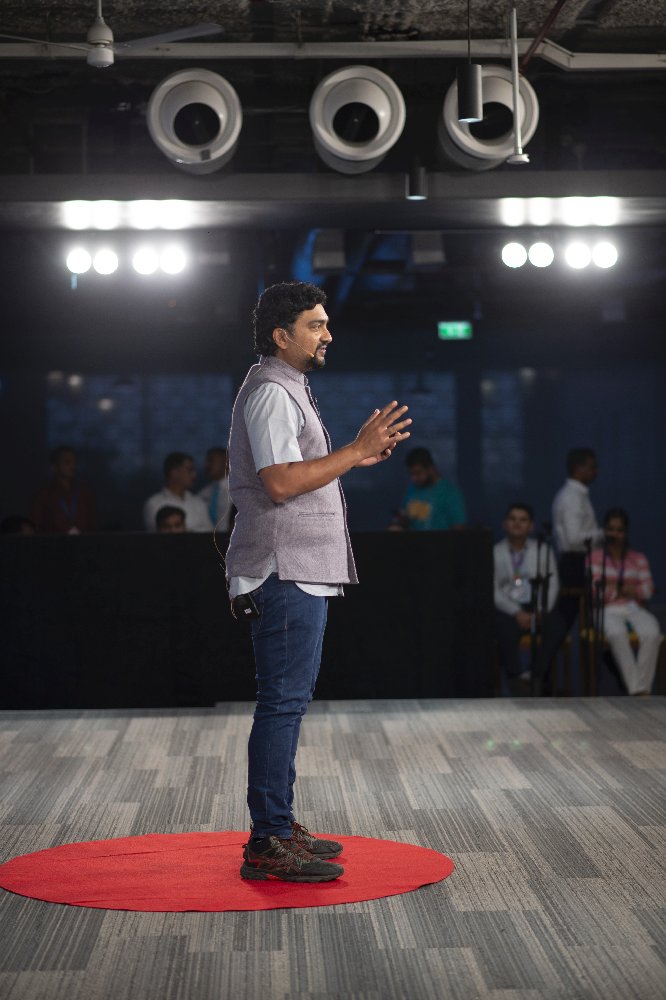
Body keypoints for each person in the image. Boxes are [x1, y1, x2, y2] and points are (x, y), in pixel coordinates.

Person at [225, 280, 411, 882]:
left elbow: (297, 474)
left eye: (326, 323)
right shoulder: (271, 392)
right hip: (283, 568)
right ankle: (268, 840)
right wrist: (353, 451)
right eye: (315, 325)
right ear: (282, 336)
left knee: (288, 703)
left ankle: (279, 827)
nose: (328, 334)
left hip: (295, 568)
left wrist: (354, 456)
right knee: (281, 705)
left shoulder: (286, 386)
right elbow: (280, 483)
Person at [589, 508, 661, 696]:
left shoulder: (638, 558)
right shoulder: (595, 558)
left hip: (633, 607)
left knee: (652, 632)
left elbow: (648, 590)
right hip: (606, 610)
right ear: (605, 531)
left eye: (619, 530)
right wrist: (623, 589)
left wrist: (630, 590)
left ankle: (642, 690)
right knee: (616, 633)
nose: (614, 534)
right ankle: (638, 691)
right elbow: (595, 591)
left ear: (625, 533)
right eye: (610, 529)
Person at [494, 503, 559, 693]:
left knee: (556, 625)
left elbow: (553, 584)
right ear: (504, 524)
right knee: (502, 627)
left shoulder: (543, 550)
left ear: (531, 526)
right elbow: (493, 589)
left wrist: (540, 610)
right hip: (509, 607)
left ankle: (536, 675)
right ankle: (516, 678)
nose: (517, 523)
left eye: (523, 520)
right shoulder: (495, 552)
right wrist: (516, 612)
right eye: (512, 519)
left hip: (536, 604)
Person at [393, 447, 466, 531]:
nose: (414, 478)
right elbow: (403, 516)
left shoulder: (449, 492)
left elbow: (459, 526)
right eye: (411, 474)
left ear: (430, 468)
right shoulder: (411, 489)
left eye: (418, 473)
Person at [31, 446, 96, 534]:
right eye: (67, 462)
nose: (72, 466)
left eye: (74, 462)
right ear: (54, 467)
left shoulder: (85, 493)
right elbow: (37, 526)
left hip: (84, 541)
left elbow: (92, 525)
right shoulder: (44, 495)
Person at [143, 452, 213, 533]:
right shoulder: (153, 503)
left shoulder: (199, 502)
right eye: (190, 470)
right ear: (174, 473)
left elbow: (210, 532)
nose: (194, 475)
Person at [198, 446, 233, 531]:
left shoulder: (238, 490)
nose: (207, 465)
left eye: (211, 461)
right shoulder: (203, 493)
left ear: (226, 463)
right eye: (207, 461)